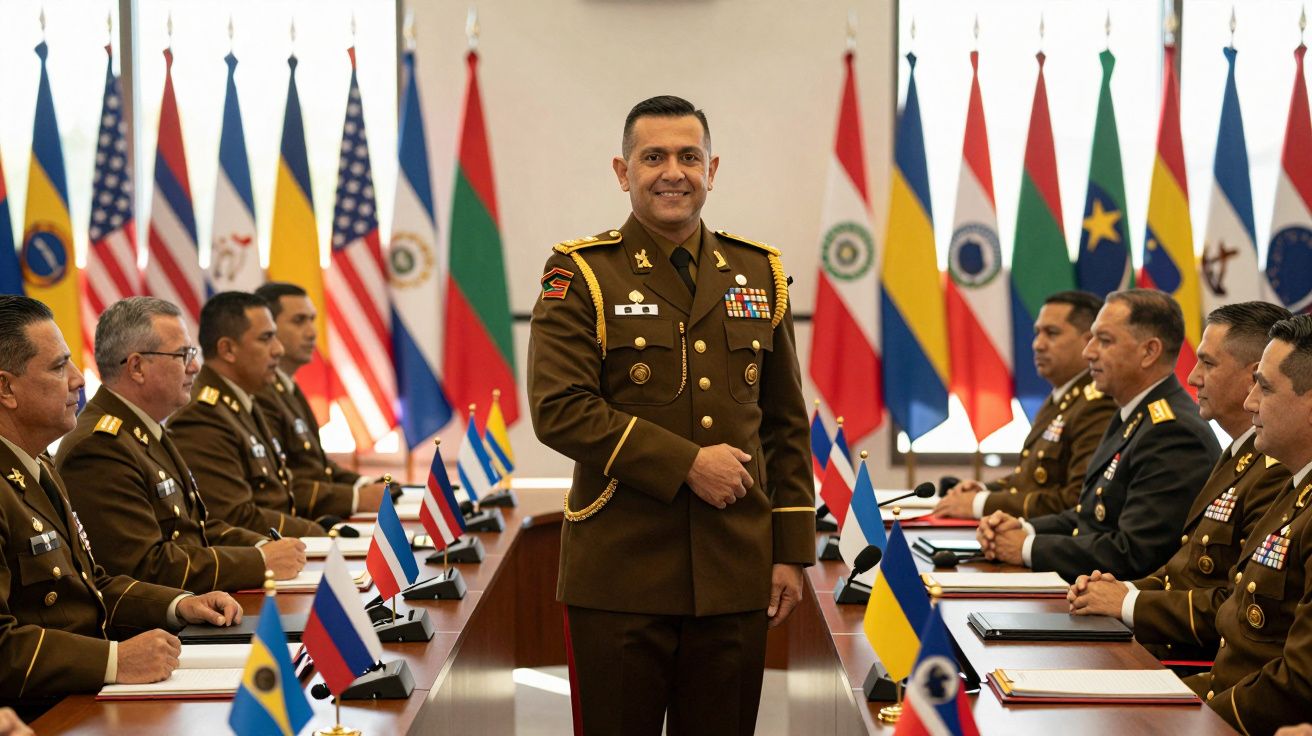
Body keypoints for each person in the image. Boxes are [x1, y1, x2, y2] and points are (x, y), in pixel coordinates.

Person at [528, 95, 813, 735]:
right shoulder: (580, 274)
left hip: (736, 571)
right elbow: (558, 409)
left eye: (689, 156)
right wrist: (687, 464)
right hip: (620, 573)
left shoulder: (758, 273)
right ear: (622, 171)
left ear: (713, 169)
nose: (672, 171)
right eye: (652, 156)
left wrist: (792, 550)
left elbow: (784, 425)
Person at [0, 296, 240, 704]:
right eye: (59, 366)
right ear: (6, 388)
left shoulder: (38, 466)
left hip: (80, 697)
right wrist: (114, 660)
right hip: (42, 713)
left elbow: (93, 587)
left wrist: (181, 605)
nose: (79, 379)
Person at [1067, 301, 1291, 661]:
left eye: (1209, 363)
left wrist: (1129, 602)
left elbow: (1236, 604)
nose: (1192, 377)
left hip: (1189, 659)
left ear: (1254, 378)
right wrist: (1116, 591)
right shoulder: (1236, 456)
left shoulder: (1276, 468)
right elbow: (1182, 570)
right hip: (1165, 642)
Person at [56, 297, 307, 591]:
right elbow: (146, 566)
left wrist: (264, 545)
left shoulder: (145, 429)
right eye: (183, 355)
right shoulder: (98, 448)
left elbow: (198, 529)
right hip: (159, 629)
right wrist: (260, 562)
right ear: (136, 367)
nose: (195, 367)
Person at [978, 289, 1220, 581]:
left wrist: (1028, 548)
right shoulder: (1131, 413)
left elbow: (1135, 552)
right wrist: (1025, 528)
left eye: (1104, 340)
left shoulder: (1173, 431)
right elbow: (1090, 515)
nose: (1088, 352)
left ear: (1149, 352)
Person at [1177, 314, 1312, 732]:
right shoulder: (1296, 489)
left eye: (1265, 387)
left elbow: (1299, 682)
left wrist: (1191, 720)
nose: (1250, 401)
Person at [935, 291, 1115, 519]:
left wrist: (980, 504)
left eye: (1052, 333)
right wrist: (985, 490)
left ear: (1089, 340)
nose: (1038, 344)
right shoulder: (1061, 398)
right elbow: (1033, 477)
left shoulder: (1096, 404)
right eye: (1037, 333)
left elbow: (1077, 500)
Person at [169, 292, 326, 537]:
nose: (278, 350)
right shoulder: (202, 414)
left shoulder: (243, 400)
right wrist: (317, 534)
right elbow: (232, 516)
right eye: (266, 338)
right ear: (228, 349)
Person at [252, 282, 391, 518]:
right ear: (269, 329)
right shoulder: (261, 394)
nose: (312, 332)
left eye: (312, 320)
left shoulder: (287, 387)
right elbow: (283, 483)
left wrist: (364, 484)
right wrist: (358, 497)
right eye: (299, 321)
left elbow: (318, 466)